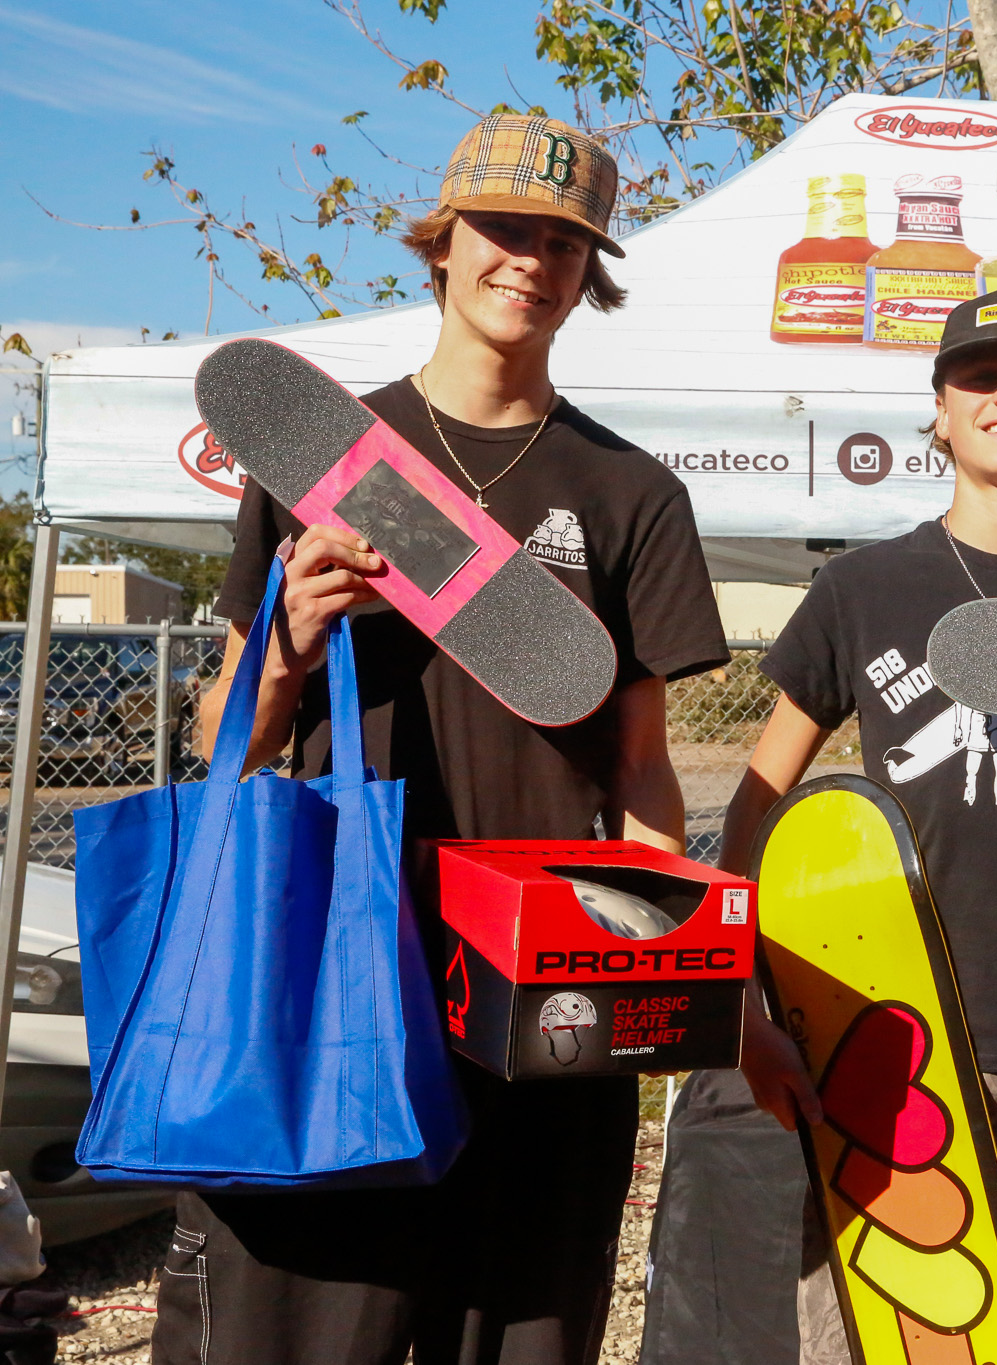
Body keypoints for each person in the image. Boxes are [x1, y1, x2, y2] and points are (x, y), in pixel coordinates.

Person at [176, 114, 730, 1365]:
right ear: (443, 242)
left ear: (590, 275)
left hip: (545, 1002)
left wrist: (652, 975)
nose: (528, 261)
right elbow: (225, 739)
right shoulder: (316, 453)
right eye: (502, 231)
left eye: (562, 243)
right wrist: (291, 643)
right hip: (330, 986)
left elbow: (643, 770)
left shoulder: (630, 494)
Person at [644, 285, 997, 1364]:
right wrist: (748, 1003)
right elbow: (759, 808)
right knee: (893, 1335)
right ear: (940, 409)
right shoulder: (861, 589)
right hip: (877, 1036)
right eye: (981, 375)